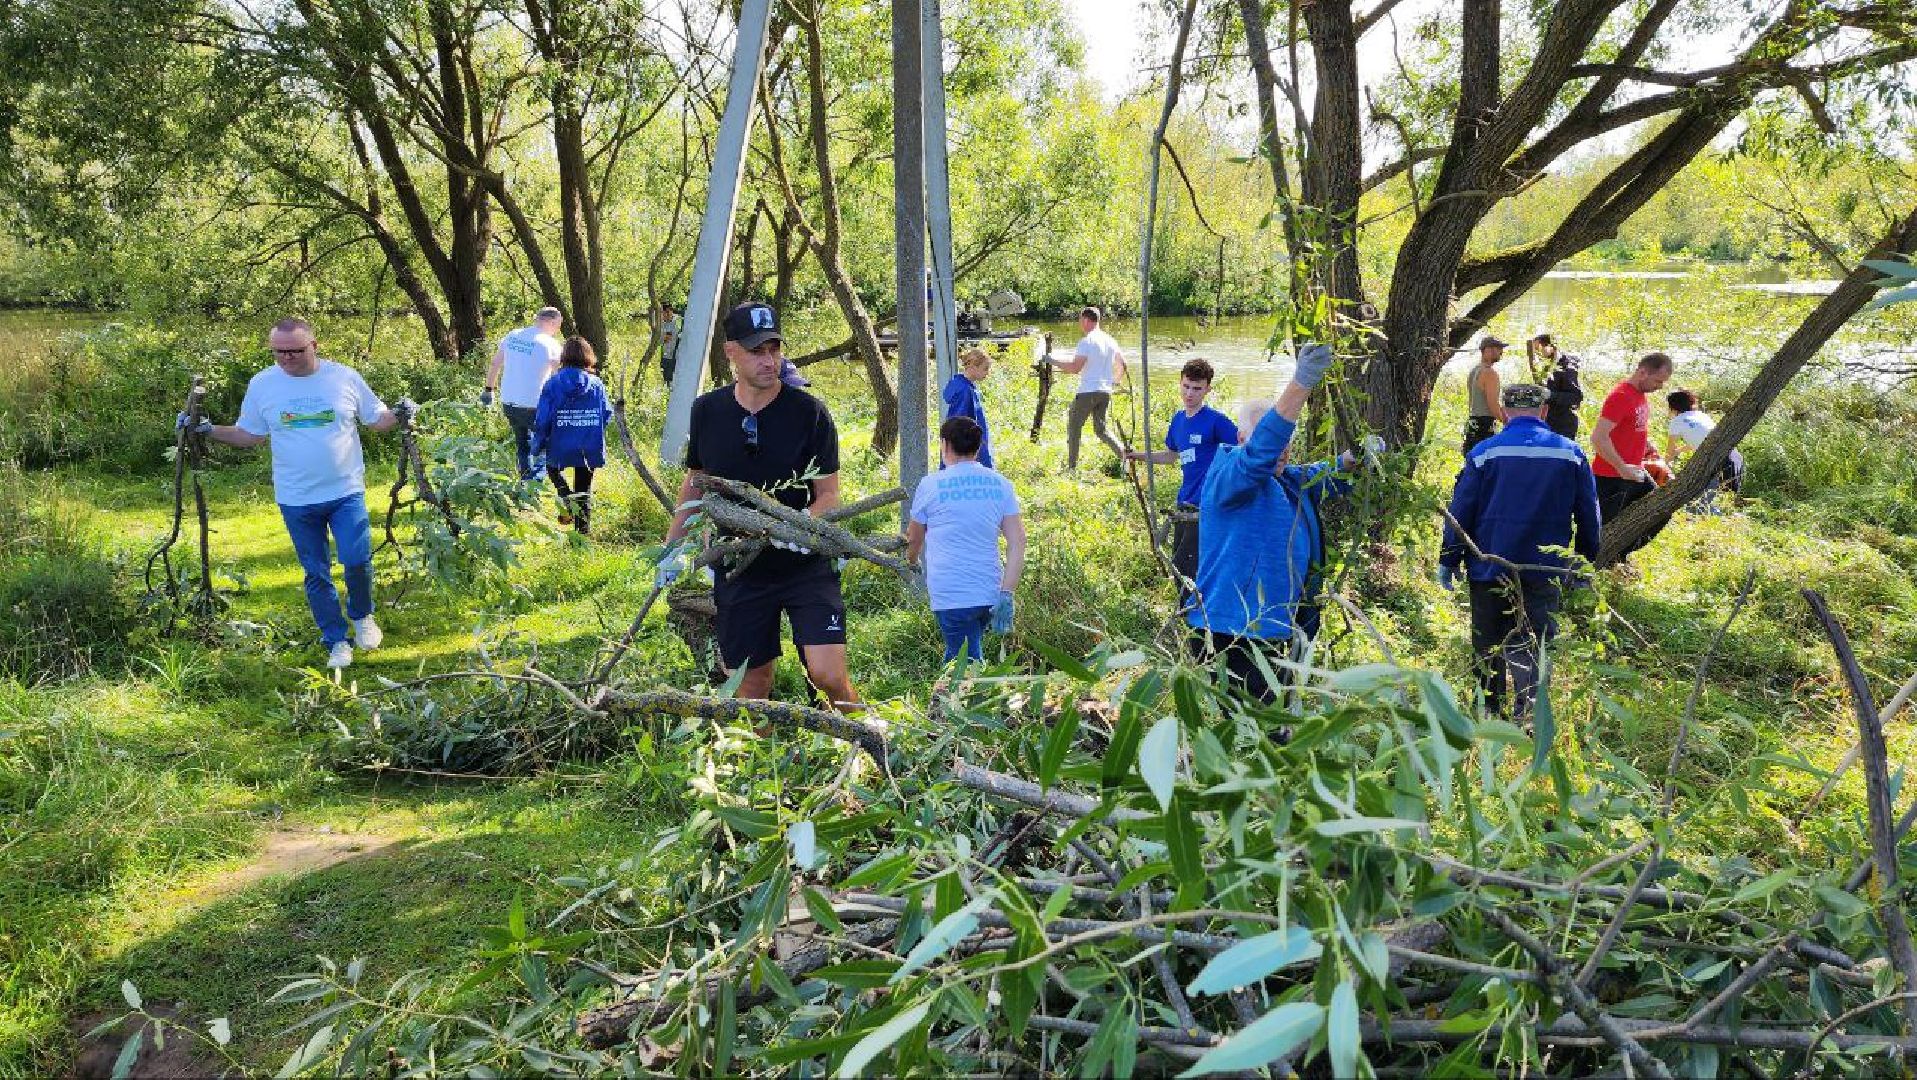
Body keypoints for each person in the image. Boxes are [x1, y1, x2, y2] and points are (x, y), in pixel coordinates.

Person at [659, 301, 859, 709]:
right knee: (751, 687)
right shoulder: (708, 411)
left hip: (804, 563)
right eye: (757, 351)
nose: (769, 361)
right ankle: (761, 767)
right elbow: (697, 481)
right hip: (739, 567)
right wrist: (673, 547)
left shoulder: (809, 412)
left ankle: (871, 748)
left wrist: (805, 527)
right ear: (730, 351)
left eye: (774, 349)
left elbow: (828, 494)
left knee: (829, 675)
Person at [194, 318, 412, 669]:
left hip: (345, 491)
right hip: (296, 497)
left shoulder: (344, 377)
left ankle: (362, 616)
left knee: (356, 560)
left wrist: (401, 414)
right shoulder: (263, 384)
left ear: (315, 346)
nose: (287, 358)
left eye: (295, 350)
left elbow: (377, 421)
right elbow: (250, 435)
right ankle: (336, 640)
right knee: (316, 572)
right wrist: (206, 430)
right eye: (279, 352)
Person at [1186, 343, 1353, 706]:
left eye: (1286, 443)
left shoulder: (1288, 480)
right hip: (1233, 630)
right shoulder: (1226, 477)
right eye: (1269, 439)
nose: (1281, 450)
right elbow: (1259, 456)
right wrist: (1301, 383)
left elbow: (1319, 475)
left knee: (1276, 726)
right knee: (1250, 735)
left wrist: (1352, 458)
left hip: (1276, 627)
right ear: (1242, 439)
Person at [1439, 384, 1601, 722]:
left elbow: (1461, 509)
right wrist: (1583, 561)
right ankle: (1529, 715)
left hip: (1488, 567)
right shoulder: (1570, 453)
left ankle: (1489, 714)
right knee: (1536, 641)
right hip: (1544, 568)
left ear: (1505, 410)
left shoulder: (1485, 452)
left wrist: (1449, 557)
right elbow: (1589, 513)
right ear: (1543, 411)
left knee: (1487, 641)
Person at [905, 416, 1026, 663]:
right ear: (978, 447)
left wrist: (910, 562)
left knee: (963, 666)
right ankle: (961, 698)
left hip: (952, 593)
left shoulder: (931, 485)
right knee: (962, 655)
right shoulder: (1000, 484)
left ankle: (974, 699)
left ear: (944, 445)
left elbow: (914, 537)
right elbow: (1018, 541)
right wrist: (1007, 592)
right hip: (989, 592)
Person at [1124, 358, 1238, 606]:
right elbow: (1171, 455)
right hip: (1184, 502)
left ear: (1208, 389)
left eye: (1197, 388)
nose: (1190, 393)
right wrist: (1138, 456)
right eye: (1186, 386)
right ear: (1180, 383)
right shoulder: (1178, 420)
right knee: (1179, 563)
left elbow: (1242, 449)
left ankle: (1196, 618)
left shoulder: (1216, 421)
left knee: (1193, 567)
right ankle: (1189, 615)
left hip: (1207, 506)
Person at [1590, 351, 1674, 558]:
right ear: (1643, 372)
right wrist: (1621, 467)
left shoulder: (1640, 397)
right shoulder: (1621, 396)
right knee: (1604, 532)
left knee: (1662, 510)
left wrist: (1651, 452)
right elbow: (1598, 438)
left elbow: (1634, 430)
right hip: (1610, 477)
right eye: (1658, 381)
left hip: (1635, 472)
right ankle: (1595, 568)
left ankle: (1619, 557)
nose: (1660, 387)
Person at [532, 336, 611, 534]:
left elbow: (543, 418)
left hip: (560, 444)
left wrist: (537, 444)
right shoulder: (596, 384)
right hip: (588, 445)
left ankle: (566, 499)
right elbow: (606, 413)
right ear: (588, 357)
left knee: (551, 468)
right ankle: (581, 536)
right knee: (583, 490)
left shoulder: (553, 383)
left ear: (564, 356)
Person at [484, 307, 563, 481]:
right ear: (551, 322)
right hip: (533, 405)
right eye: (558, 326)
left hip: (509, 402)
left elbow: (495, 363)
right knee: (549, 447)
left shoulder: (513, 335)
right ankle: (531, 485)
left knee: (523, 444)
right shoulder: (551, 344)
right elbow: (558, 378)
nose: (557, 330)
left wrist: (488, 390)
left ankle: (525, 486)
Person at [1047, 306, 1129, 472]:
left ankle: (1071, 469)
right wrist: (1114, 382)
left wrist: (1051, 360)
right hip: (1105, 392)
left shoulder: (1087, 341)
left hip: (1087, 392)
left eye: (1080, 320)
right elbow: (1123, 364)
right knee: (1102, 430)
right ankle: (1126, 457)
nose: (1079, 324)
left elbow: (1074, 368)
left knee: (1074, 427)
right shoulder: (1110, 340)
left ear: (1085, 320)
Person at [1664, 388, 1744, 510]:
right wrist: (1679, 451)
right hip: (1734, 457)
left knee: (1699, 507)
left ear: (1672, 407)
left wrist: (1664, 467)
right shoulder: (1701, 415)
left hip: (1716, 462)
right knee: (1724, 503)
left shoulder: (1676, 422)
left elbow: (1669, 453)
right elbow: (1703, 439)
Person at [941, 347, 995, 470]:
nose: (987, 373)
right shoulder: (965, 391)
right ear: (973, 367)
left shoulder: (965, 386)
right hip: (968, 445)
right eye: (985, 369)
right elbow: (961, 422)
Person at [1531, 333, 1585, 440]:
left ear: (1550, 346)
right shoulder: (1546, 368)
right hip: (1547, 423)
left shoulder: (1567, 366)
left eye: (1539, 349)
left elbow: (1575, 397)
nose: (1537, 353)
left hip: (1563, 425)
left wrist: (1550, 395)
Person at [1463, 335, 1506, 455]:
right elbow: (1493, 406)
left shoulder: (1474, 371)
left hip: (1472, 426)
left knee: (1472, 468)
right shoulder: (1490, 373)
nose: (1501, 352)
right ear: (1487, 350)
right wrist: (1510, 423)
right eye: (1498, 348)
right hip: (1484, 428)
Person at [656, 303, 682, 384]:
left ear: (669, 311)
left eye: (664, 313)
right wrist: (664, 338)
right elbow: (658, 341)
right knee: (666, 379)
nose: (663, 315)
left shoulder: (678, 320)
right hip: (666, 356)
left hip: (677, 356)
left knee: (676, 379)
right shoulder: (660, 324)